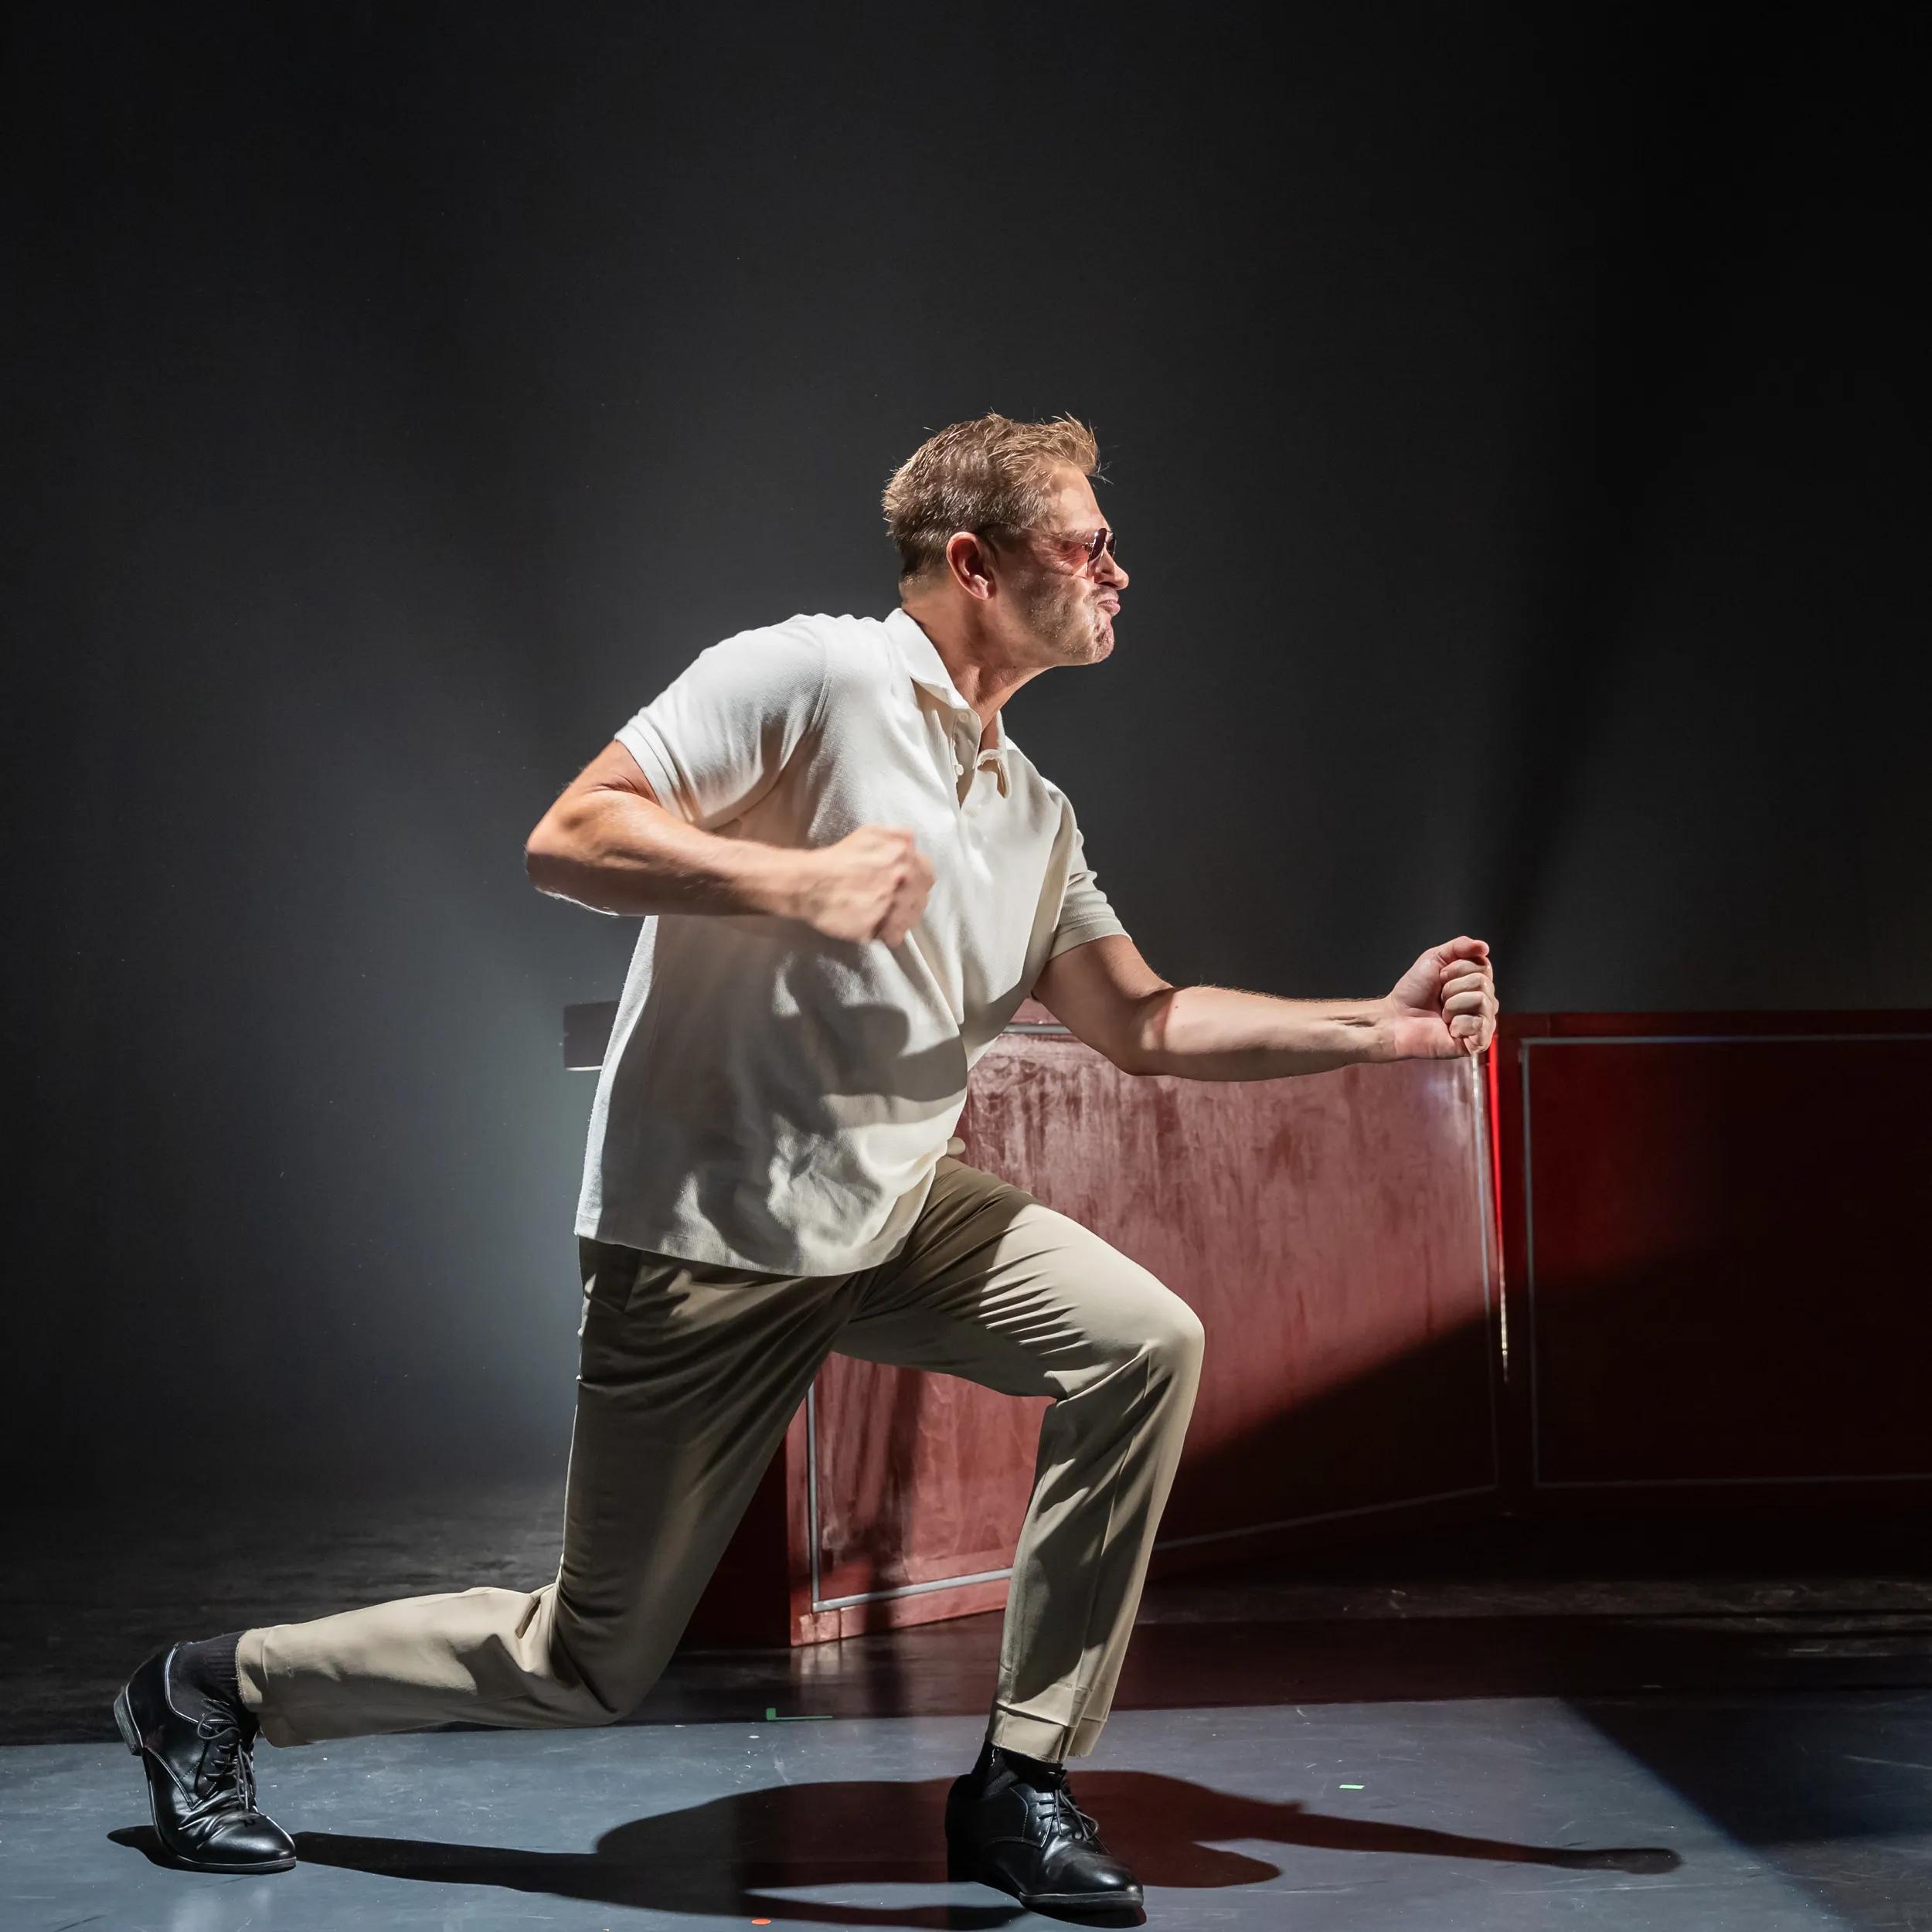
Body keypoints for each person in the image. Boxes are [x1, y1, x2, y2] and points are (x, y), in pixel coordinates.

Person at [115, 412, 1498, 1911]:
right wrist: (795, 880)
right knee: (584, 1662)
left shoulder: (1033, 813)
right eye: (1086, 542)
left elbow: (1145, 1022)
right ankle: (208, 1689)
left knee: (1143, 1343)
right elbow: (569, 835)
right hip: (705, 1242)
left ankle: (1021, 1780)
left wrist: (1378, 1029)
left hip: (898, 1218)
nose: (1118, 569)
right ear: (973, 563)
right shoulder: (808, 675)